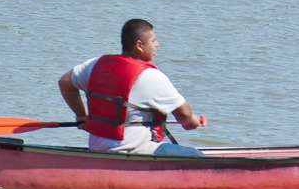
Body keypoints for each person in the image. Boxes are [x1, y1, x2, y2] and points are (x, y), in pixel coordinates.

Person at [58, 18, 207, 156]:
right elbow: (185, 117)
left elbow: (65, 83)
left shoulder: (95, 65)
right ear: (139, 45)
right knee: (198, 156)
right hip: (134, 150)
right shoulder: (151, 77)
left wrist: (81, 115)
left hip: (97, 148)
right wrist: (193, 122)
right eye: (153, 40)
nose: (157, 44)